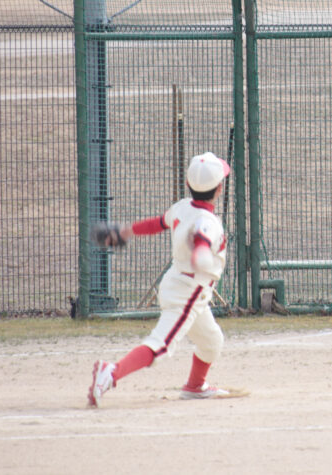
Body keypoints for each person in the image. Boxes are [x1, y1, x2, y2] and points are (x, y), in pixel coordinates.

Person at [86, 152, 244, 406]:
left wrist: (126, 231)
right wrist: (201, 255)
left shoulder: (183, 206)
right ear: (220, 189)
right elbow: (202, 239)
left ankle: (195, 386)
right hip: (188, 292)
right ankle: (111, 372)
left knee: (211, 341)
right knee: (160, 347)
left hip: (180, 284)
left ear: (188, 185)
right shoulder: (208, 221)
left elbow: (159, 223)